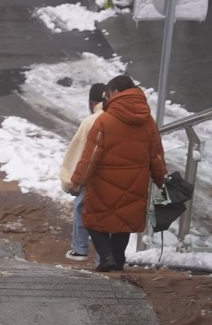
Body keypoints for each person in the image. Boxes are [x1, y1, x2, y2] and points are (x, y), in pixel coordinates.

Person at [71, 75, 167, 272]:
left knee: (93, 220)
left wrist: (77, 181)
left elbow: (90, 157)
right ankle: (117, 258)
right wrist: (160, 179)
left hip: (104, 183)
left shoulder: (104, 121)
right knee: (124, 220)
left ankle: (107, 257)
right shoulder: (148, 121)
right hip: (135, 181)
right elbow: (155, 155)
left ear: (115, 93)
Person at [59, 83, 106, 261]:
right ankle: (104, 258)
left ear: (92, 102)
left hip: (92, 177)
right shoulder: (120, 117)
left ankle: (80, 248)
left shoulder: (90, 121)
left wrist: (70, 182)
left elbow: (78, 154)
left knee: (81, 207)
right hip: (118, 177)